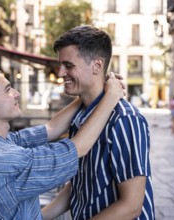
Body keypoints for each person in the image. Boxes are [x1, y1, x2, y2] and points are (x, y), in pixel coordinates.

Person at [0, 66, 125, 219]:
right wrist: (111, 96)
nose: (16, 93)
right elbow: (78, 148)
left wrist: (90, 89)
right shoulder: (0, 159)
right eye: (7, 90)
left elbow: (50, 128)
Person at [42, 25, 155, 220]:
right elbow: (80, 185)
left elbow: (131, 206)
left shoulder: (125, 119)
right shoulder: (81, 116)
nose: (60, 73)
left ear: (97, 66)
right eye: (60, 65)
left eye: (68, 65)